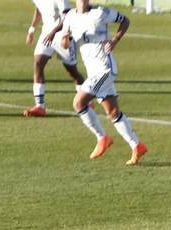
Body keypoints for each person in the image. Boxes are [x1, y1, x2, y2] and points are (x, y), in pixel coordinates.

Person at [43, 0, 146, 164]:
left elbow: (125, 20)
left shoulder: (100, 13)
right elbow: (65, 44)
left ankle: (102, 138)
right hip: (93, 72)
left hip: (105, 69)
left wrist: (115, 40)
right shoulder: (70, 17)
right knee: (112, 112)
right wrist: (65, 37)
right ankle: (137, 146)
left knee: (78, 103)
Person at [23, 0, 84, 117]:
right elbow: (38, 8)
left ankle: (87, 100)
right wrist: (32, 29)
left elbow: (68, 18)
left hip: (63, 35)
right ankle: (39, 106)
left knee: (72, 71)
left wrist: (54, 32)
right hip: (46, 34)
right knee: (38, 64)